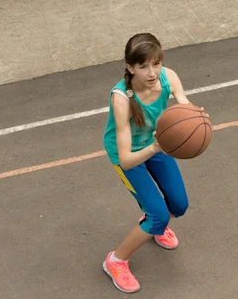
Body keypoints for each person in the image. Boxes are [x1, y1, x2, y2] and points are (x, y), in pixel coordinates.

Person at [101, 32, 201, 293]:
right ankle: (116, 261)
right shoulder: (121, 99)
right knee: (157, 214)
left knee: (178, 204)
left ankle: (154, 224)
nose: (151, 72)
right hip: (129, 156)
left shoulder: (169, 77)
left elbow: (185, 108)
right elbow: (126, 158)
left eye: (155, 63)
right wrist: (156, 146)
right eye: (143, 66)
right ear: (130, 67)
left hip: (157, 143)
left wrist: (197, 119)